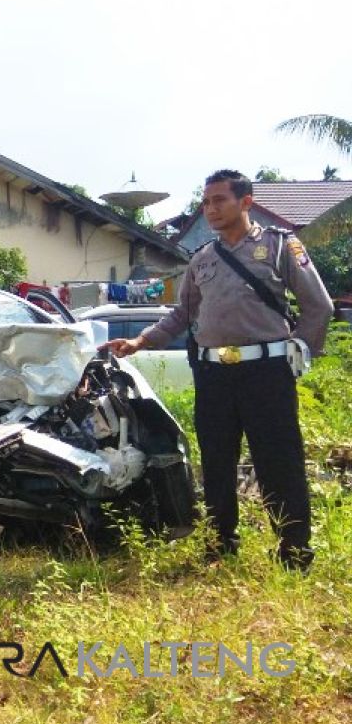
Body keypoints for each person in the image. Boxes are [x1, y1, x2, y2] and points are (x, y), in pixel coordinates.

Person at [103, 169, 333, 570]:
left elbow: (319, 306)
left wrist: (302, 350)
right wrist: (141, 341)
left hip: (267, 374)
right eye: (206, 202)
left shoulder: (280, 247)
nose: (210, 209)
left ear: (245, 202)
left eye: (219, 200)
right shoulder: (203, 259)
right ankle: (220, 546)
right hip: (213, 376)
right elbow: (182, 315)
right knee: (216, 462)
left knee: (279, 463)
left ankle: (295, 553)